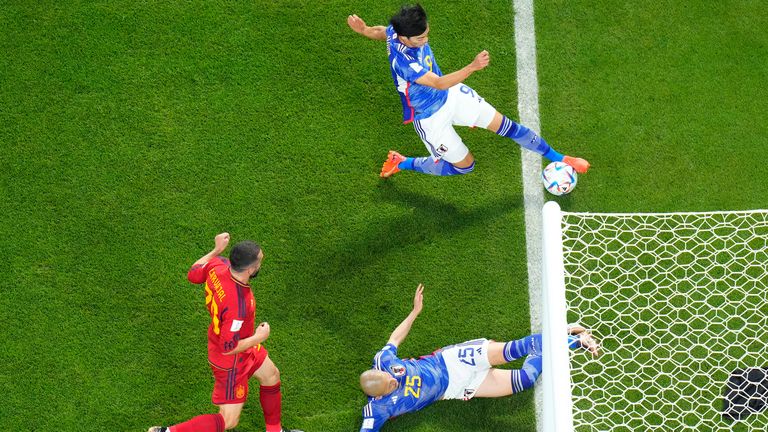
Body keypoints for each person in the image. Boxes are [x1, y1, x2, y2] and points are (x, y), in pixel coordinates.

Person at [347, 4, 590, 178]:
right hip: (430, 118)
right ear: (405, 38)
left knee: (506, 126)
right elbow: (438, 83)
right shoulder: (403, 62)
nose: (425, 39)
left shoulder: (399, 31)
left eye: (426, 34)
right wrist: (472, 67)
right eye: (420, 38)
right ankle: (401, 162)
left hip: (452, 95)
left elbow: (384, 32)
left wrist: (365, 30)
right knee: (464, 167)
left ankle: (561, 158)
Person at [358, 284, 599, 431]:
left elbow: (394, 339)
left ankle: (571, 339)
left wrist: (414, 313)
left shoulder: (384, 362)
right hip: (457, 387)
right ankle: (564, 340)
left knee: (514, 349)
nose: (393, 378)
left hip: (452, 360)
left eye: (388, 375)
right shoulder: (378, 409)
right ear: (379, 395)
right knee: (525, 380)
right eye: (390, 384)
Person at [149, 233, 301, 432]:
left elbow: (193, 273)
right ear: (250, 269)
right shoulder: (239, 305)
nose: (260, 266)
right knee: (229, 421)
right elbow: (228, 347)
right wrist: (259, 337)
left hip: (245, 348)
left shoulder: (218, 265)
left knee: (271, 375)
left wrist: (216, 251)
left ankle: (275, 431)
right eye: (259, 262)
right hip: (231, 362)